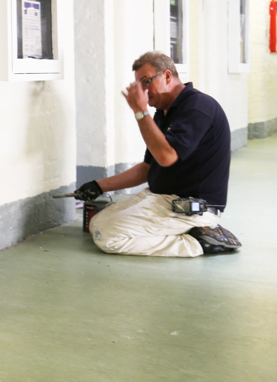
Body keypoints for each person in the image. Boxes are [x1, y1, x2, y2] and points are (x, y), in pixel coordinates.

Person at [75, 51, 241, 257]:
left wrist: (139, 111)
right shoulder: (164, 112)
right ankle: (187, 232)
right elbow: (147, 168)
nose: (143, 90)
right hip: (161, 196)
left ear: (167, 76)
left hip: (191, 207)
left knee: (108, 236)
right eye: (138, 84)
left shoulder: (198, 107)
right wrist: (98, 186)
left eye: (146, 82)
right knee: (98, 222)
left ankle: (200, 242)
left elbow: (167, 156)